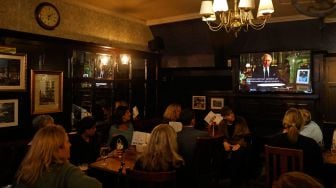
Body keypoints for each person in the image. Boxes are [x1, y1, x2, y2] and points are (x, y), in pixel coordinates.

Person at [15, 125, 102, 188]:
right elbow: (96, 185)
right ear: (57, 149)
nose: (70, 145)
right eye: (67, 142)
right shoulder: (66, 170)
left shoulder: (26, 169)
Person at [268, 108, 323, 178]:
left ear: (285, 123)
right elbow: (318, 168)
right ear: (302, 124)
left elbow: (270, 166)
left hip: (280, 182)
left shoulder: (274, 141)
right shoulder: (311, 144)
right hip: (302, 184)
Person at [217, 106, 253, 185]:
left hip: (240, 143)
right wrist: (225, 142)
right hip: (228, 143)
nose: (232, 115)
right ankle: (222, 177)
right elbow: (221, 136)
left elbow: (247, 136)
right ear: (224, 117)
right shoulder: (222, 123)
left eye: (232, 113)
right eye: (229, 115)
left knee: (237, 154)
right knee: (219, 153)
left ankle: (236, 180)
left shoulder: (241, 120)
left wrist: (239, 144)